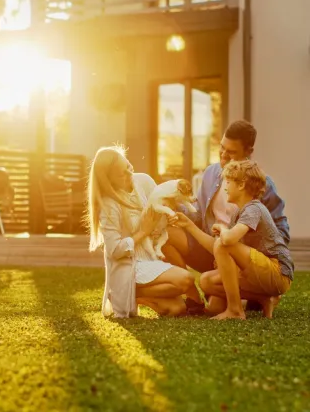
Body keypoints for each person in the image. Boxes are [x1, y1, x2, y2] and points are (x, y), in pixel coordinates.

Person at [162, 120, 290, 311]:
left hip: (240, 256)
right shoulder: (210, 174)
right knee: (168, 232)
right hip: (211, 248)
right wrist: (176, 205)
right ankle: (193, 298)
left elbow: (281, 232)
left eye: (231, 152)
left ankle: (254, 293)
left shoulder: (262, 185)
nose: (223, 154)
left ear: (248, 152)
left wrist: (254, 262)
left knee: (215, 307)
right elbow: (197, 213)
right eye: (222, 147)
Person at [86, 146, 203, 318]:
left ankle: (134, 296)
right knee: (186, 279)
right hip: (129, 264)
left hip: (151, 256)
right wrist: (143, 232)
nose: (129, 174)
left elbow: (161, 204)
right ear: (109, 180)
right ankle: (122, 289)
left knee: (177, 309)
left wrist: (166, 218)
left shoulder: (144, 181)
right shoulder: (108, 205)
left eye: (128, 166)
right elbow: (114, 251)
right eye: (122, 173)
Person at [175, 160, 294, 320]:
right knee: (206, 281)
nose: (225, 188)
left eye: (228, 182)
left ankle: (235, 310)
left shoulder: (254, 208)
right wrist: (189, 225)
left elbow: (227, 241)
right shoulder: (239, 213)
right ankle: (264, 298)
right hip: (258, 270)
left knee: (224, 244)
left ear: (241, 185)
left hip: (278, 271)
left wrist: (224, 230)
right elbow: (216, 247)